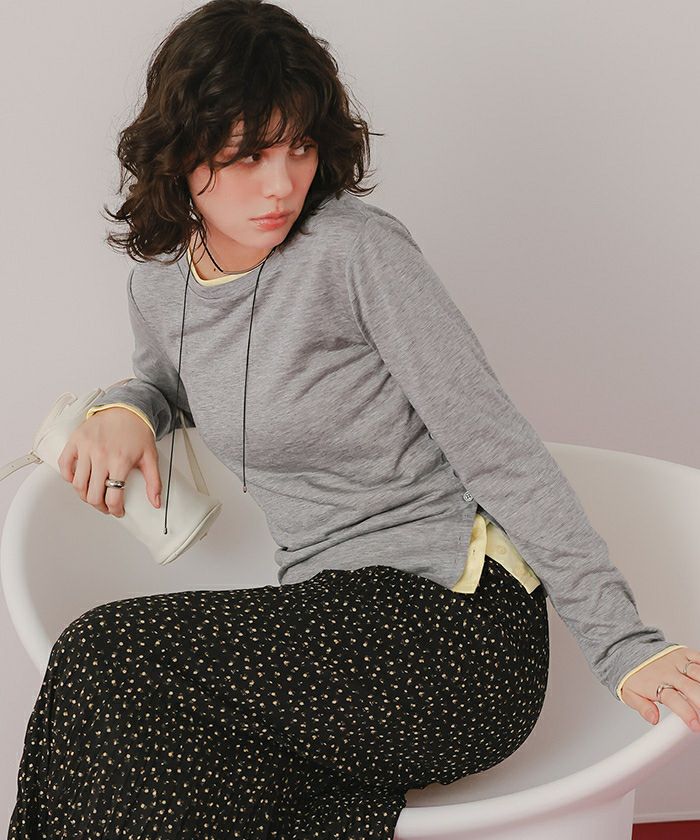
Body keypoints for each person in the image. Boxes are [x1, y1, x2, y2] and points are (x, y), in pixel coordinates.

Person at [7, 1, 699, 838]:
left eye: (298, 146)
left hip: (454, 627)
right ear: (183, 149)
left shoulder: (354, 251)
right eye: (249, 154)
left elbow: (498, 448)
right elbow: (176, 384)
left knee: (106, 655)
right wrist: (129, 405)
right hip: (329, 619)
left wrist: (623, 641)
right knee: (138, 739)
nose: (281, 183)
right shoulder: (161, 286)